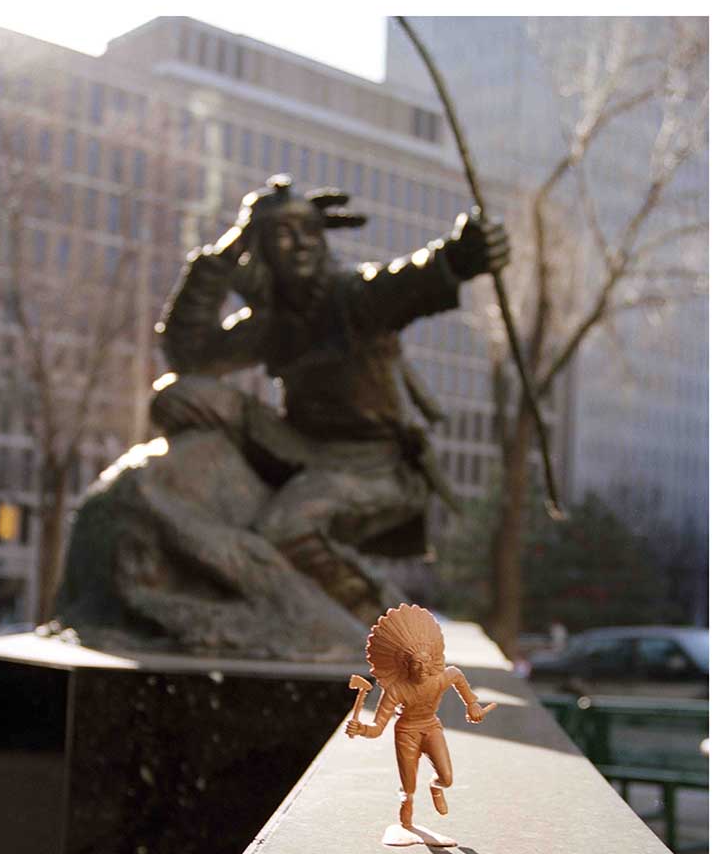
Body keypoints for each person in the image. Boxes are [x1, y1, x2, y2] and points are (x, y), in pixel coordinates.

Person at [152, 173, 510, 621]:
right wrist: (227, 251)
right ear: (259, 249)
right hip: (300, 449)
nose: (301, 243)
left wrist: (459, 256)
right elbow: (188, 356)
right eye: (283, 234)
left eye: (309, 230)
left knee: (285, 527)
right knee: (178, 396)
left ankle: (369, 613)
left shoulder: (353, 296)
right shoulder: (271, 323)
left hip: (374, 465)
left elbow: (408, 282)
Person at [345, 604, 496, 845]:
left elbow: (457, 675)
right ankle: (406, 824)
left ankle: (436, 787)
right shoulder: (396, 690)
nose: (423, 669)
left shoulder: (439, 678)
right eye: (416, 664)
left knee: (447, 777)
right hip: (406, 732)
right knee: (408, 790)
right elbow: (377, 728)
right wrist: (361, 729)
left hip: (431, 727)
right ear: (406, 666)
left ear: (432, 660)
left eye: (426, 662)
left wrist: (472, 704)